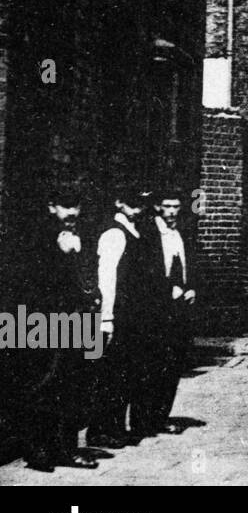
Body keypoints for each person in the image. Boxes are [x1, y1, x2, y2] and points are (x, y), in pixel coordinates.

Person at [12, 190, 101, 471]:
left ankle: (66, 448)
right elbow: (28, 281)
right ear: (51, 207)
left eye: (75, 206)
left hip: (76, 321)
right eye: (65, 206)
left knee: (73, 385)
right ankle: (37, 451)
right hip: (45, 323)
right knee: (44, 385)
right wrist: (58, 256)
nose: (72, 212)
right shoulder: (37, 237)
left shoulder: (80, 234)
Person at [88, 189, 161, 448]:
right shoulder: (114, 233)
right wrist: (106, 318)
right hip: (118, 317)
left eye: (141, 204)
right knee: (112, 375)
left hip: (133, 318)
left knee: (126, 375)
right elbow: (106, 278)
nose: (138, 209)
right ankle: (101, 430)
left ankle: (116, 426)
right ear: (119, 203)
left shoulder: (135, 231)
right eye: (132, 204)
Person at [134, 189, 196, 436]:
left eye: (176, 207)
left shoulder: (182, 233)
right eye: (167, 206)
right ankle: (143, 421)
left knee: (172, 365)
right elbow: (144, 273)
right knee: (151, 366)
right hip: (155, 310)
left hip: (179, 309)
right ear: (158, 207)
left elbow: (191, 266)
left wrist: (192, 288)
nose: (172, 211)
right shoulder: (147, 234)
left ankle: (160, 417)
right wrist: (166, 290)